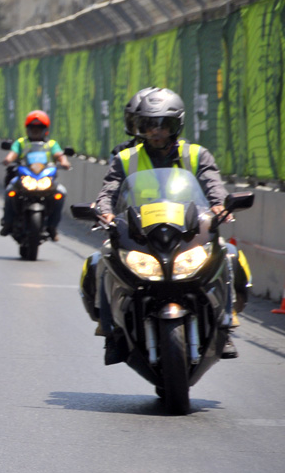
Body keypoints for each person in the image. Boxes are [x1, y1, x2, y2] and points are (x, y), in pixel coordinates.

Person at [88, 87, 244, 361]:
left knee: (229, 255)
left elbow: (212, 183)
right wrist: (104, 212)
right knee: (101, 259)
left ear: (176, 126)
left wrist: (220, 205)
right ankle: (110, 331)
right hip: (140, 232)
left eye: (163, 125)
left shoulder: (197, 155)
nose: (156, 132)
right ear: (137, 127)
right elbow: (109, 190)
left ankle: (226, 323)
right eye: (148, 125)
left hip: (187, 231)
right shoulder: (125, 158)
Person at [0, 110, 72, 241]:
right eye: (33, 127)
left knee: (61, 193)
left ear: (45, 130)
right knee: (10, 190)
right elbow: (13, 153)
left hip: (44, 178)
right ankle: (8, 222)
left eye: (39, 128)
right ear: (27, 129)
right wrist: (8, 160)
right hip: (24, 176)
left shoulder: (51, 144)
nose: (36, 130)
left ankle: (52, 227)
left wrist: (64, 162)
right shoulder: (21, 142)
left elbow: (59, 155)